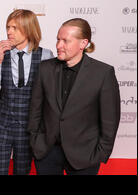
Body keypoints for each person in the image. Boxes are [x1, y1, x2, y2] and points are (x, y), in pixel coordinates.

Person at [27, 18, 121, 175]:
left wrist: (100, 154)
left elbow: (110, 120)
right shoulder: (45, 69)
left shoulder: (103, 73)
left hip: (85, 155)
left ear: (83, 43)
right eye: (58, 39)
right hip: (47, 152)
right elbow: (35, 110)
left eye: (65, 41)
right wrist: (35, 141)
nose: (58, 46)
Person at [0, 9, 54, 175]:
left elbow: (49, 96)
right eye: (8, 27)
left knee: (22, 170)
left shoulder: (45, 55)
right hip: (2, 124)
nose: (9, 32)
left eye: (15, 28)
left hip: (29, 125)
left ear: (29, 28)